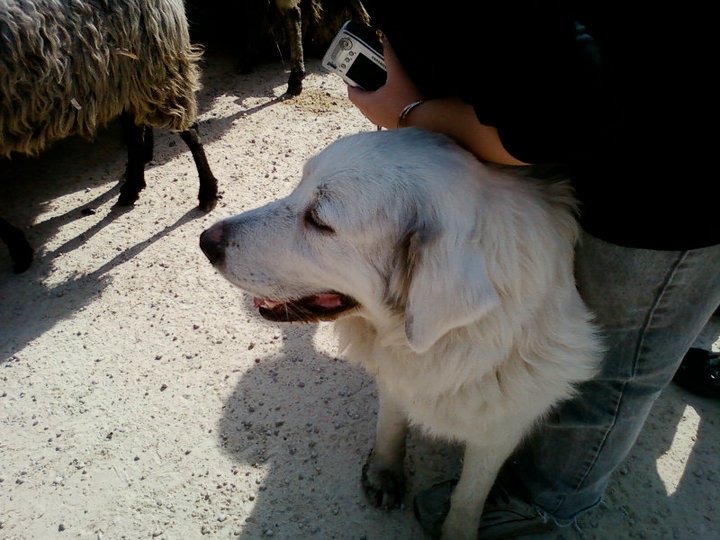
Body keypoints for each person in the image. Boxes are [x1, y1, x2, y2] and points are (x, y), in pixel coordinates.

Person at [347, 2, 720, 538]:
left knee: (615, 370)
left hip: (670, 173)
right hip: (577, 145)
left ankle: (545, 503)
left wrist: (408, 113)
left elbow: (558, 121)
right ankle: (392, 451)